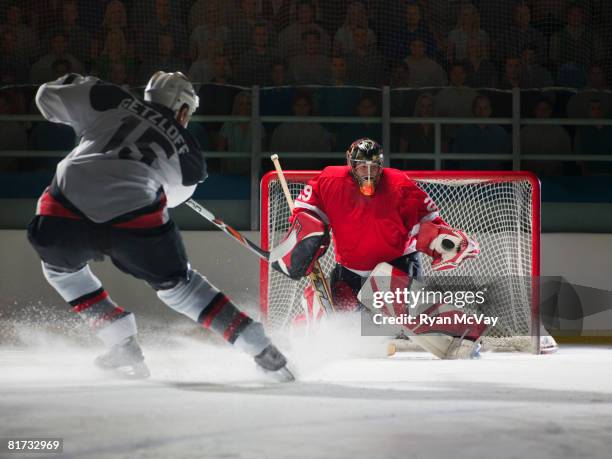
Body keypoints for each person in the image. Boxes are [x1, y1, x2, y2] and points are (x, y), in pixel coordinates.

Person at [27, 71, 292, 380]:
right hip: (134, 213)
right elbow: (174, 196)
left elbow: (46, 96)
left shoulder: (111, 99)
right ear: (182, 110)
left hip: (65, 209)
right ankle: (259, 346)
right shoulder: (191, 156)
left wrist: (81, 95)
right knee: (180, 286)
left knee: (60, 270)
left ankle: (120, 340)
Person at [271, 138, 486, 359]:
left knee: (398, 306)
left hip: (396, 264)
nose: (368, 171)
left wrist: (443, 240)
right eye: (362, 166)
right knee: (330, 308)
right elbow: (305, 210)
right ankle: (296, 340)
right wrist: (305, 236)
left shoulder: (399, 184)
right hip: (350, 270)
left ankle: (466, 334)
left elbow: (429, 222)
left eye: (374, 166)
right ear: (351, 164)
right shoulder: (330, 180)